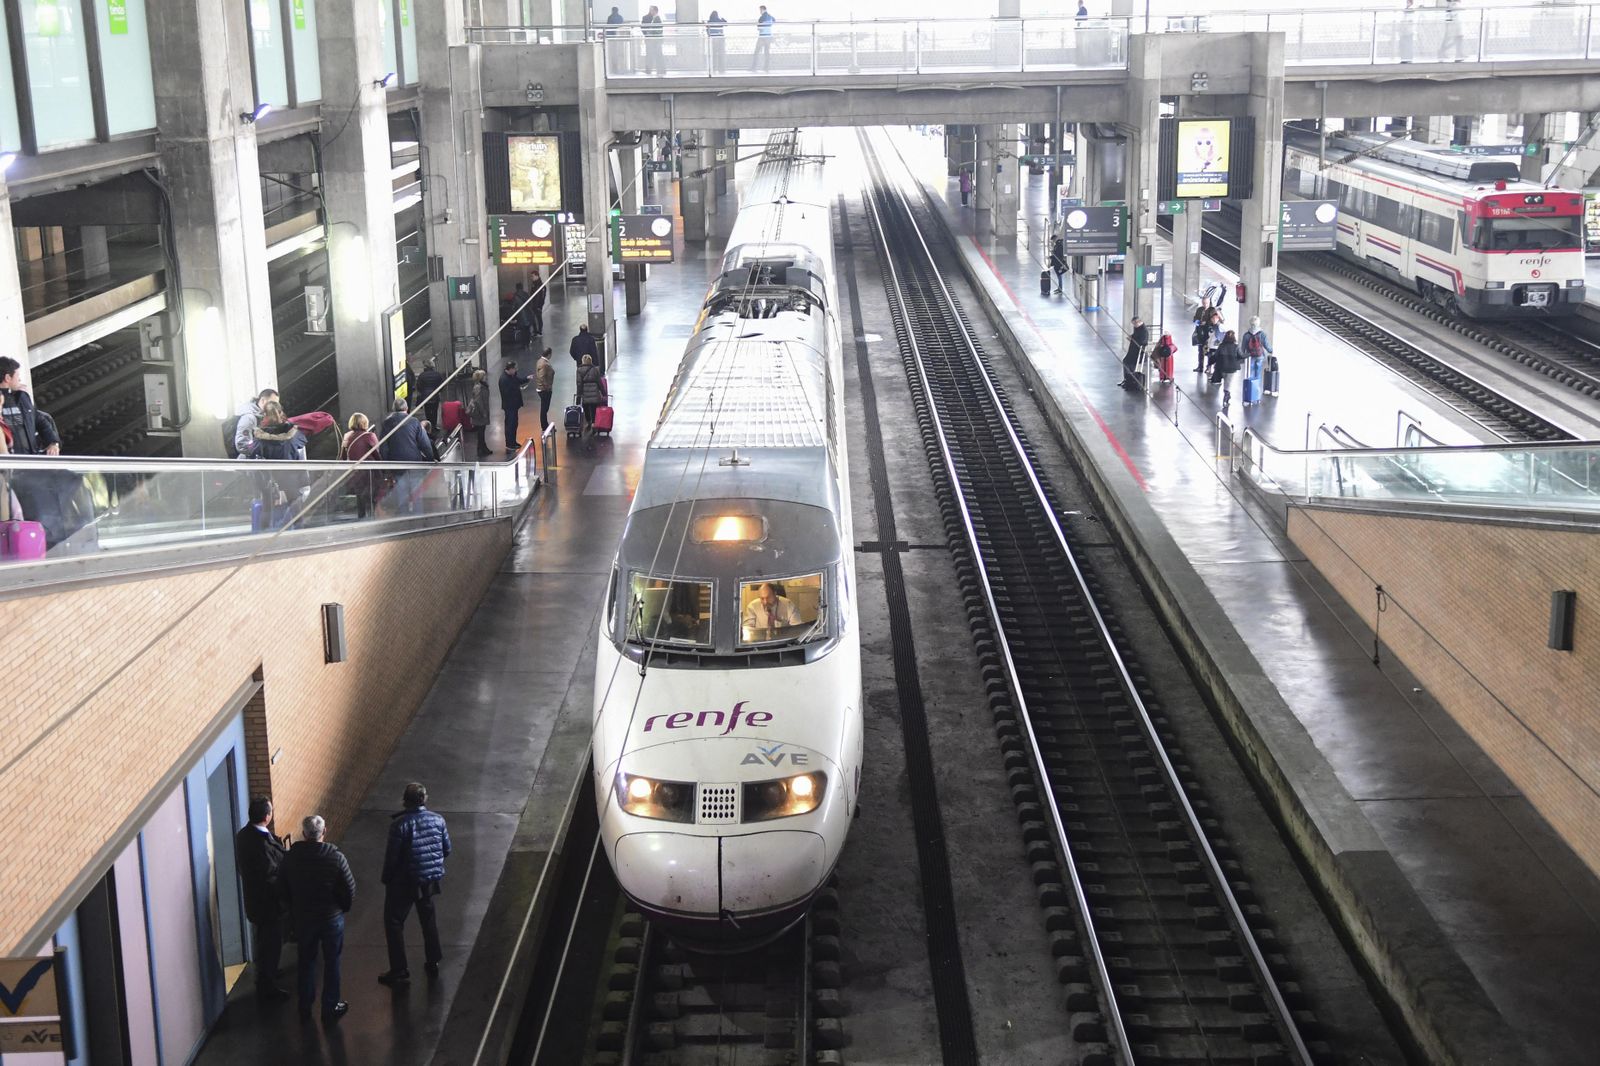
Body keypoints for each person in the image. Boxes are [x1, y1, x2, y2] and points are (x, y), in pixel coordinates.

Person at [283, 814, 355, 1022]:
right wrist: (342, 908)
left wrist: (293, 908)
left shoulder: (291, 858)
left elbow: (282, 887)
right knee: (332, 962)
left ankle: (305, 1006)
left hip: (304, 918)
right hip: (331, 918)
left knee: (306, 961)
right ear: (324, 832)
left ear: (304, 834)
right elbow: (349, 888)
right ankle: (330, 1007)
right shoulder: (336, 858)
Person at [378, 783, 452, 986]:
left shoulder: (399, 825)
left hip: (404, 883)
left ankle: (399, 969)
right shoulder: (438, 820)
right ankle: (433, 960)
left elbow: (392, 858)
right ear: (424, 799)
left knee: (394, 922)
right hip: (428, 880)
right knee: (428, 919)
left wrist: (386, 879)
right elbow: (446, 849)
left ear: (405, 800)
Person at [234, 797, 289, 1002]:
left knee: (264, 941)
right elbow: (271, 874)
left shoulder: (243, 836)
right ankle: (267, 984)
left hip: (255, 901)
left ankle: (268, 972)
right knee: (270, 944)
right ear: (267, 817)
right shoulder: (262, 844)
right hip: (269, 904)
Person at [229, 387, 279, 459]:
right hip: (247, 461)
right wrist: (259, 450)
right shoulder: (249, 418)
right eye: (273, 403)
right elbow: (242, 444)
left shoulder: (260, 416)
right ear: (263, 401)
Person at [500, 361, 532, 453]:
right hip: (509, 406)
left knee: (514, 424)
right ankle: (509, 444)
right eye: (514, 369)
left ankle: (513, 442)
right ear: (510, 369)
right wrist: (516, 389)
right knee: (510, 425)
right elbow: (506, 393)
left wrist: (526, 379)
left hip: (514, 405)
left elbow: (518, 381)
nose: (516, 370)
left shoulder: (512, 376)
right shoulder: (504, 379)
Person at [1213, 328, 1244, 410]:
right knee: (1228, 384)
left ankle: (1228, 396)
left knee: (1226, 382)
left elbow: (1216, 355)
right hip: (1232, 369)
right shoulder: (1236, 347)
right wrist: (1248, 354)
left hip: (1222, 367)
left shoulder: (1221, 346)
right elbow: (1241, 355)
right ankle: (1225, 399)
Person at [576, 354, 606, 428]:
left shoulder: (579, 370)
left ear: (583, 361)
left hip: (585, 393)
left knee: (585, 407)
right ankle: (593, 422)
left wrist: (578, 396)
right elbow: (599, 382)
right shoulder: (595, 369)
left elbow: (579, 384)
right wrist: (603, 392)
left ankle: (588, 421)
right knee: (593, 407)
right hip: (594, 392)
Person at [467, 371, 493, 457]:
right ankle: (482, 448)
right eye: (484, 376)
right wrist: (483, 412)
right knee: (481, 431)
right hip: (479, 413)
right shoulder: (479, 387)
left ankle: (481, 447)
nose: (486, 377)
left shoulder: (481, 386)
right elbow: (478, 401)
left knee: (481, 431)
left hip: (481, 412)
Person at [415, 358, 446, 429]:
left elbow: (419, 386)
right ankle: (434, 426)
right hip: (435, 396)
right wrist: (438, 391)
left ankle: (429, 427)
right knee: (435, 411)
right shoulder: (437, 374)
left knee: (428, 412)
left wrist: (423, 391)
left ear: (425, 367)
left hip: (425, 397)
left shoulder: (422, 375)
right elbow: (441, 385)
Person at [1120, 316, 1149, 390]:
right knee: (1126, 362)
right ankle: (1127, 379)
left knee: (1130, 364)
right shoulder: (1138, 328)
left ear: (1138, 322)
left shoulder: (1144, 331)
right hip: (1133, 351)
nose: (1134, 326)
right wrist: (1131, 337)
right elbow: (1136, 336)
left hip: (1138, 353)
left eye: (1134, 324)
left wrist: (1132, 339)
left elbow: (1143, 341)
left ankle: (1130, 380)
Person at [605, 5, 631, 74]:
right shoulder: (620, 17)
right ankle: (621, 68)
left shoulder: (610, 17)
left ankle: (613, 68)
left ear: (612, 11)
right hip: (620, 38)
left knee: (612, 54)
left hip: (611, 38)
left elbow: (608, 27)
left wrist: (607, 36)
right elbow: (621, 27)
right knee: (620, 54)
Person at [535, 348, 555, 432]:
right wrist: (547, 387)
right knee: (544, 409)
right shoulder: (544, 364)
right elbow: (541, 377)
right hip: (544, 390)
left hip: (542, 388)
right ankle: (544, 426)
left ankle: (545, 425)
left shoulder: (540, 361)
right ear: (549, 354)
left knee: (544, 408)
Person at [641, 6, 665, 77]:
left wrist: (649, 33)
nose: (650, 11)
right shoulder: (655, 18)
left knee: (658, 55)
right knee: (658, 55)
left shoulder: (657, 19)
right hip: (655, 40)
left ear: (655, 11)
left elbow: (657, 30)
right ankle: (660, 70)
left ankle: (660, 70)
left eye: (651, 10)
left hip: (655, 40)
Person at [752, 5, 775, 72]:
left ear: (762, 9)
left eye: (760, 10)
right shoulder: (770, 16)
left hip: (762, 37)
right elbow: (774, 20)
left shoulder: (761, 18)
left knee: (756, 52)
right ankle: (766, 68)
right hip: (769, 36)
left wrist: (760, 27)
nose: (760, 12)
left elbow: (759, 28)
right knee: (767, 53)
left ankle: (754, 67)